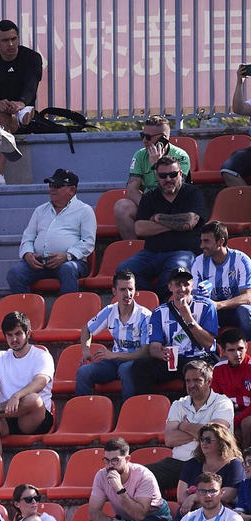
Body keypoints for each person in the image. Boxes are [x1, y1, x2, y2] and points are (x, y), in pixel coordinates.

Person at [0, 312, 56, 453]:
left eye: (18, 334)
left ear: (28, 333)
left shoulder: (42, 356)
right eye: (9, 335)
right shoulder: (0, 357)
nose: (14, 339)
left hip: (34, 417)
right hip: (6, 415)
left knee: (33, 399)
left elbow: (40, 382)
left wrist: (17, 396)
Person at [119, 156, 206, 294]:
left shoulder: (192, 193)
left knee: (174, 276)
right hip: (151, 253)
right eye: (163, 175)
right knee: (123, 272)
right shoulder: (150, 197)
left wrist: (157, 218)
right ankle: (150, 299)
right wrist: (177, 223)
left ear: (181, 174)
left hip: (183, 252)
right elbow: (139, 228)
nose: (168, 179)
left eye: (173, 174)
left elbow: (188, 222)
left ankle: (164, 306)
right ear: (156, 176)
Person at [149, 359, 235, 495]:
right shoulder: (178, 404)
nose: (191, 385)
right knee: (143, 476)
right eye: (188, 381)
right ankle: (160, 513)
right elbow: (170, 439)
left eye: (196, 380)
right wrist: (203, 432)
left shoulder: (223, 402)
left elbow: (216, 435)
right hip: (179, 463)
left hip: (210, 463)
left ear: (209, 381)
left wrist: (184, 425)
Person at [9, 170, 96, 295]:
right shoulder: (40, 210)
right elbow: (28, 237)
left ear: (72, 190)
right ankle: (25, 313)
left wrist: (66, 256)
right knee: (15, 273)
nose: (52, 189)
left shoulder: (85, 211)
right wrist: (28, 255)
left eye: (58, 186)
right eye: (51, 185)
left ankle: (67, 312)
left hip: (70, 261)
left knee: (68, 269)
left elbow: (88, 242)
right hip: (40, 262)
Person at [137, 268, 220, 399]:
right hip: (173, 359)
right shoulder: (159, 312)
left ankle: (188, 413)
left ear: (192, 285)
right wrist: (160, 353)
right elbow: (154, 347)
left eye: (186, 284)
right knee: (140, 366)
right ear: (170, 287)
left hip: (198, 358)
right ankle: (150, 405)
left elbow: (208, 342)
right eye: (177, 284)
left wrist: (188, 317)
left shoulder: (206, 306)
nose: (182, 288)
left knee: (194, 374)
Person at [82, 436, 170, 521]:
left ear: (127, 459)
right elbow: (93, 512)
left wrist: (119, 489)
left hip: (154, 518)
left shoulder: (144, 476)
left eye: (115, 461)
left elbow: (139, 515)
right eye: (106, 460)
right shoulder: (101, 475)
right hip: (126, 519)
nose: (110, 466)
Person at [114, 116, 194, 241]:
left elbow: (176, 189)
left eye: (149, 137)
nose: (144, 141)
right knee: (122, 207)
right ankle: (135, 250)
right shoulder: (140, 155)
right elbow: (132, 190)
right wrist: (149, 208)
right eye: (143, 136)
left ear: (164, 138)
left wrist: (156, 165)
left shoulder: (181, 156)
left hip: (174, 204)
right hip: (149, 203)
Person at [75, 271, 152, 399]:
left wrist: (113, 355)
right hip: (114, 362)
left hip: (136, 362)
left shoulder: (145, 316)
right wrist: (86, 350)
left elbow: (145, 352)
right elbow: (86, 330)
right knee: (83, 372)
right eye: (122, 289)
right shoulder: (110, 311)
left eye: (130, 289)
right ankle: (82, 413)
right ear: (114, 291)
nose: (128, 294)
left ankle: (127, 415)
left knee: (125, 370)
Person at [0, 19, 43, 133]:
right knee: (1, 116)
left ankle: (20, 115)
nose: (10, 44)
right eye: (5, 40)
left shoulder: (32, 57)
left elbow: (31, 84)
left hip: (22, 106)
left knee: (21, 113)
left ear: (18, 38)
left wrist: (21, 103)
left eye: (13, 39)